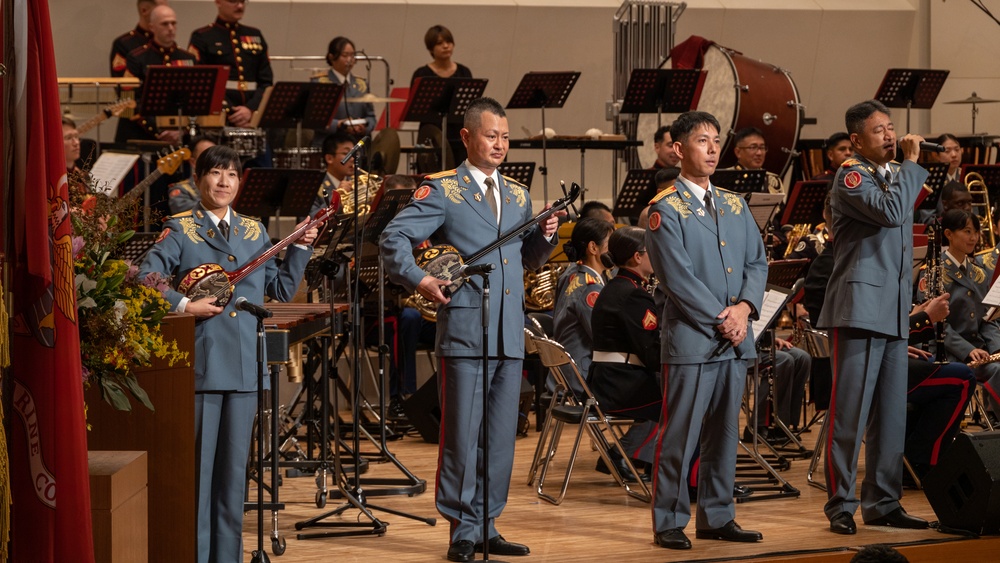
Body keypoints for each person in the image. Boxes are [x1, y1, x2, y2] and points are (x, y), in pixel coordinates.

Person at [380, 97, 561, 562]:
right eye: (490, 135)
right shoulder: (442, 189)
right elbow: (393, 237)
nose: (499, 144)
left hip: (507, 330)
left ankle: (488, 523)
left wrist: (544, 236)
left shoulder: (519, 195)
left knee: (501, 435)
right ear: (467, 137)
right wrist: (419, 278)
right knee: (461, 435)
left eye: (505, 137)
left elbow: (523, 262)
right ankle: (462, 529)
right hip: (464, 329)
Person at [139, 145, 317, 563]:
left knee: (235, 478)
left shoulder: (255, 230)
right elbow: (146, 278)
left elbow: (278, 291)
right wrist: (185, 307)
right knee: (200, 479)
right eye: (216, 173)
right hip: (201, 366)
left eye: (232, 175)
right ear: (198, 179)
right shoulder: (181, 228)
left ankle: (228, 557)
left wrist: (302, 248)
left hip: (245, 370)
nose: (224, 182)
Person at [645, 110, 768, 549]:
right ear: (679, 150)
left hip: (734, 339)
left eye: (716, 139)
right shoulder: (664, 210)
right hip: (694, 341)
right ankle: (669, 519)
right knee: (679, 434)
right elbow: (678, 280)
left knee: (724, 434)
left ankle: (717, 515)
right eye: (702, 140)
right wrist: (725, 317)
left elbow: (757, 262)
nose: (713, 148)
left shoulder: (735, 203)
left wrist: (746, 307)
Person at [817, 99, 930, 535]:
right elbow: (890, 212)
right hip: (860, 308)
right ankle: (840, 504)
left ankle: (883, 501)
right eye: (879, 130)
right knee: (850, 414)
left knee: (890, 415)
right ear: (857, 140)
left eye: (891, 127)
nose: (890, 135)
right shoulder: (852, 175)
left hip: (894, 308)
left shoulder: (890, 176)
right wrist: (913, 164)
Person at [589, 226, 662, 481]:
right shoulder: (633, 295)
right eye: (651, 250)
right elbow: (652, 355)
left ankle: (645, 460)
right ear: (637, 257)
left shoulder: (616, 286)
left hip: (608, 378)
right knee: (681, 400)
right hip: (621, 384)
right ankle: (622, 455)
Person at [932, 209, 1000, 415]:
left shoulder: (979, 272)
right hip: (952, 354)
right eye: (967, 231)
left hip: (981, 352)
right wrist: (967, 349)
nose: (973, 238)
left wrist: (996, 349)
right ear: (949, 234)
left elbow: (987, 320)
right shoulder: (935, 272)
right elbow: (937, 323)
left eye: (976, 232)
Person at [188, 0, 273, 129]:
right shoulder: (203, 36)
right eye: (233, 1)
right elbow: (200, 82)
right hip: (219, 116)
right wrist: (230, 110)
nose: (239, 6)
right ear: (218, 2)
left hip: (252, 117)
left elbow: (266, 82)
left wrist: (250, 109)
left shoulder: (255, 35)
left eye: (242, 1)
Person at [552, 217, 613, 393]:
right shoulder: (590, 286)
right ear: (593, 248)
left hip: (565, 374)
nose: (614, 250)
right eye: (610, 244)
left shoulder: (572, 274)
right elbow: (602, 338)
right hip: (582, 377)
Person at [119, 4, 193, 145]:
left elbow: (194, 101)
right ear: (152, 27)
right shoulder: (137, 58)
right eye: (165, 24)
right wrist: (160, 131)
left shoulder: (188, 58)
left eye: (173, 23)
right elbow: (130, 100)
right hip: (146, 135)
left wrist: (182, 129)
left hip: (181, 135)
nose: (171, 28)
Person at [411, 25, 473, 168]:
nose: (446, 46)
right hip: (431, 134)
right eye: (439, 43)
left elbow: (471, 106)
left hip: (457, 134)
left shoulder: (464, 72)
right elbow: (416, 107)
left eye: (448, 42)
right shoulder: (421, 74)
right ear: (431, 48)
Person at [313, 36, 376, 146]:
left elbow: (371, 117)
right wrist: (339, 124)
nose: (349, 60)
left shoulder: (362, 84)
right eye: (345, 55)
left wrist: (364, 127)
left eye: (352, 55)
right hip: (329, 145)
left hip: (357, 145)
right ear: (332, 57)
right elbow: (314, 119)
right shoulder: (320, 82)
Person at [109, 0, 166, 77]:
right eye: (161, 10)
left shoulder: (166, 42)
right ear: (144, 11)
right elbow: (123, 85)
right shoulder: (124, 44)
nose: (166, 14)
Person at [168, 135, 216, 214]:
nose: (212, 160)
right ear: (193, 162)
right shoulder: (181, 190)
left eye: (216, 155)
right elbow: (187, 213)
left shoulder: (228, 186)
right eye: (205, 156)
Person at [311, 130, 357, 213]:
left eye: (354, 153)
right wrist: (336, 198)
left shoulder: (358, 181)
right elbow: (311, 218)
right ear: (329, 158)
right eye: (346, 153)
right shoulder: (314, 185)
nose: (353, 159)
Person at [730, 126, 783, 194]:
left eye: (762, 147)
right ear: (738, 152)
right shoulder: (725, 177)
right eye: (753, 147)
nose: (759, 153)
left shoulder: (773, 180)